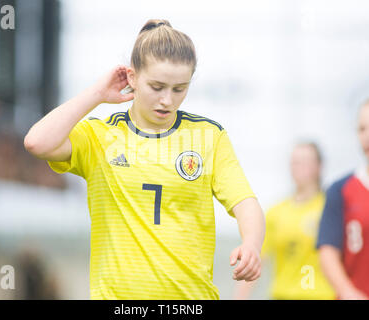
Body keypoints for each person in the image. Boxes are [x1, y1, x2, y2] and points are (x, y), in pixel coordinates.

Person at [24, 19, 265, 300]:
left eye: (179, 89)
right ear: (132, 77)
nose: (167, 100)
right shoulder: (101, 136)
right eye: (157, 86)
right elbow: (37, 142)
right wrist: (97, 94)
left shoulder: (209, 137)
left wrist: (251, 245)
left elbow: (246, 203)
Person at [234, 142, 335, 300]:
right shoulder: (275, 212)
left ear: (319, 166)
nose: (298, 167)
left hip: (322, 295)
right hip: (283, 295)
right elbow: (256, 258)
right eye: (294, 162)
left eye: (305, 161)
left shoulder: (330, 208)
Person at [316, 99, 369, 300]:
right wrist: (348, 292)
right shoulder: (341, 189)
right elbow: (328, 251)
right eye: (362, 129)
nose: (367, 136)